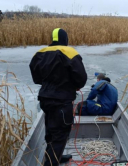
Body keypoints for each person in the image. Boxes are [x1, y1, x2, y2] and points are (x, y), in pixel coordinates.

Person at [29, 28, 87, 166]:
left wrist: (49, 84)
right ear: (65, 39)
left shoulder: (40, 53)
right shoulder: (70, 52)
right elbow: (81, 78)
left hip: (45, 99)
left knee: (50, 130)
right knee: (60, 135)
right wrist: (72, 85)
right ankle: (51, 162)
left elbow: (36, 77)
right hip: (62, 102)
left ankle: (57, 157)